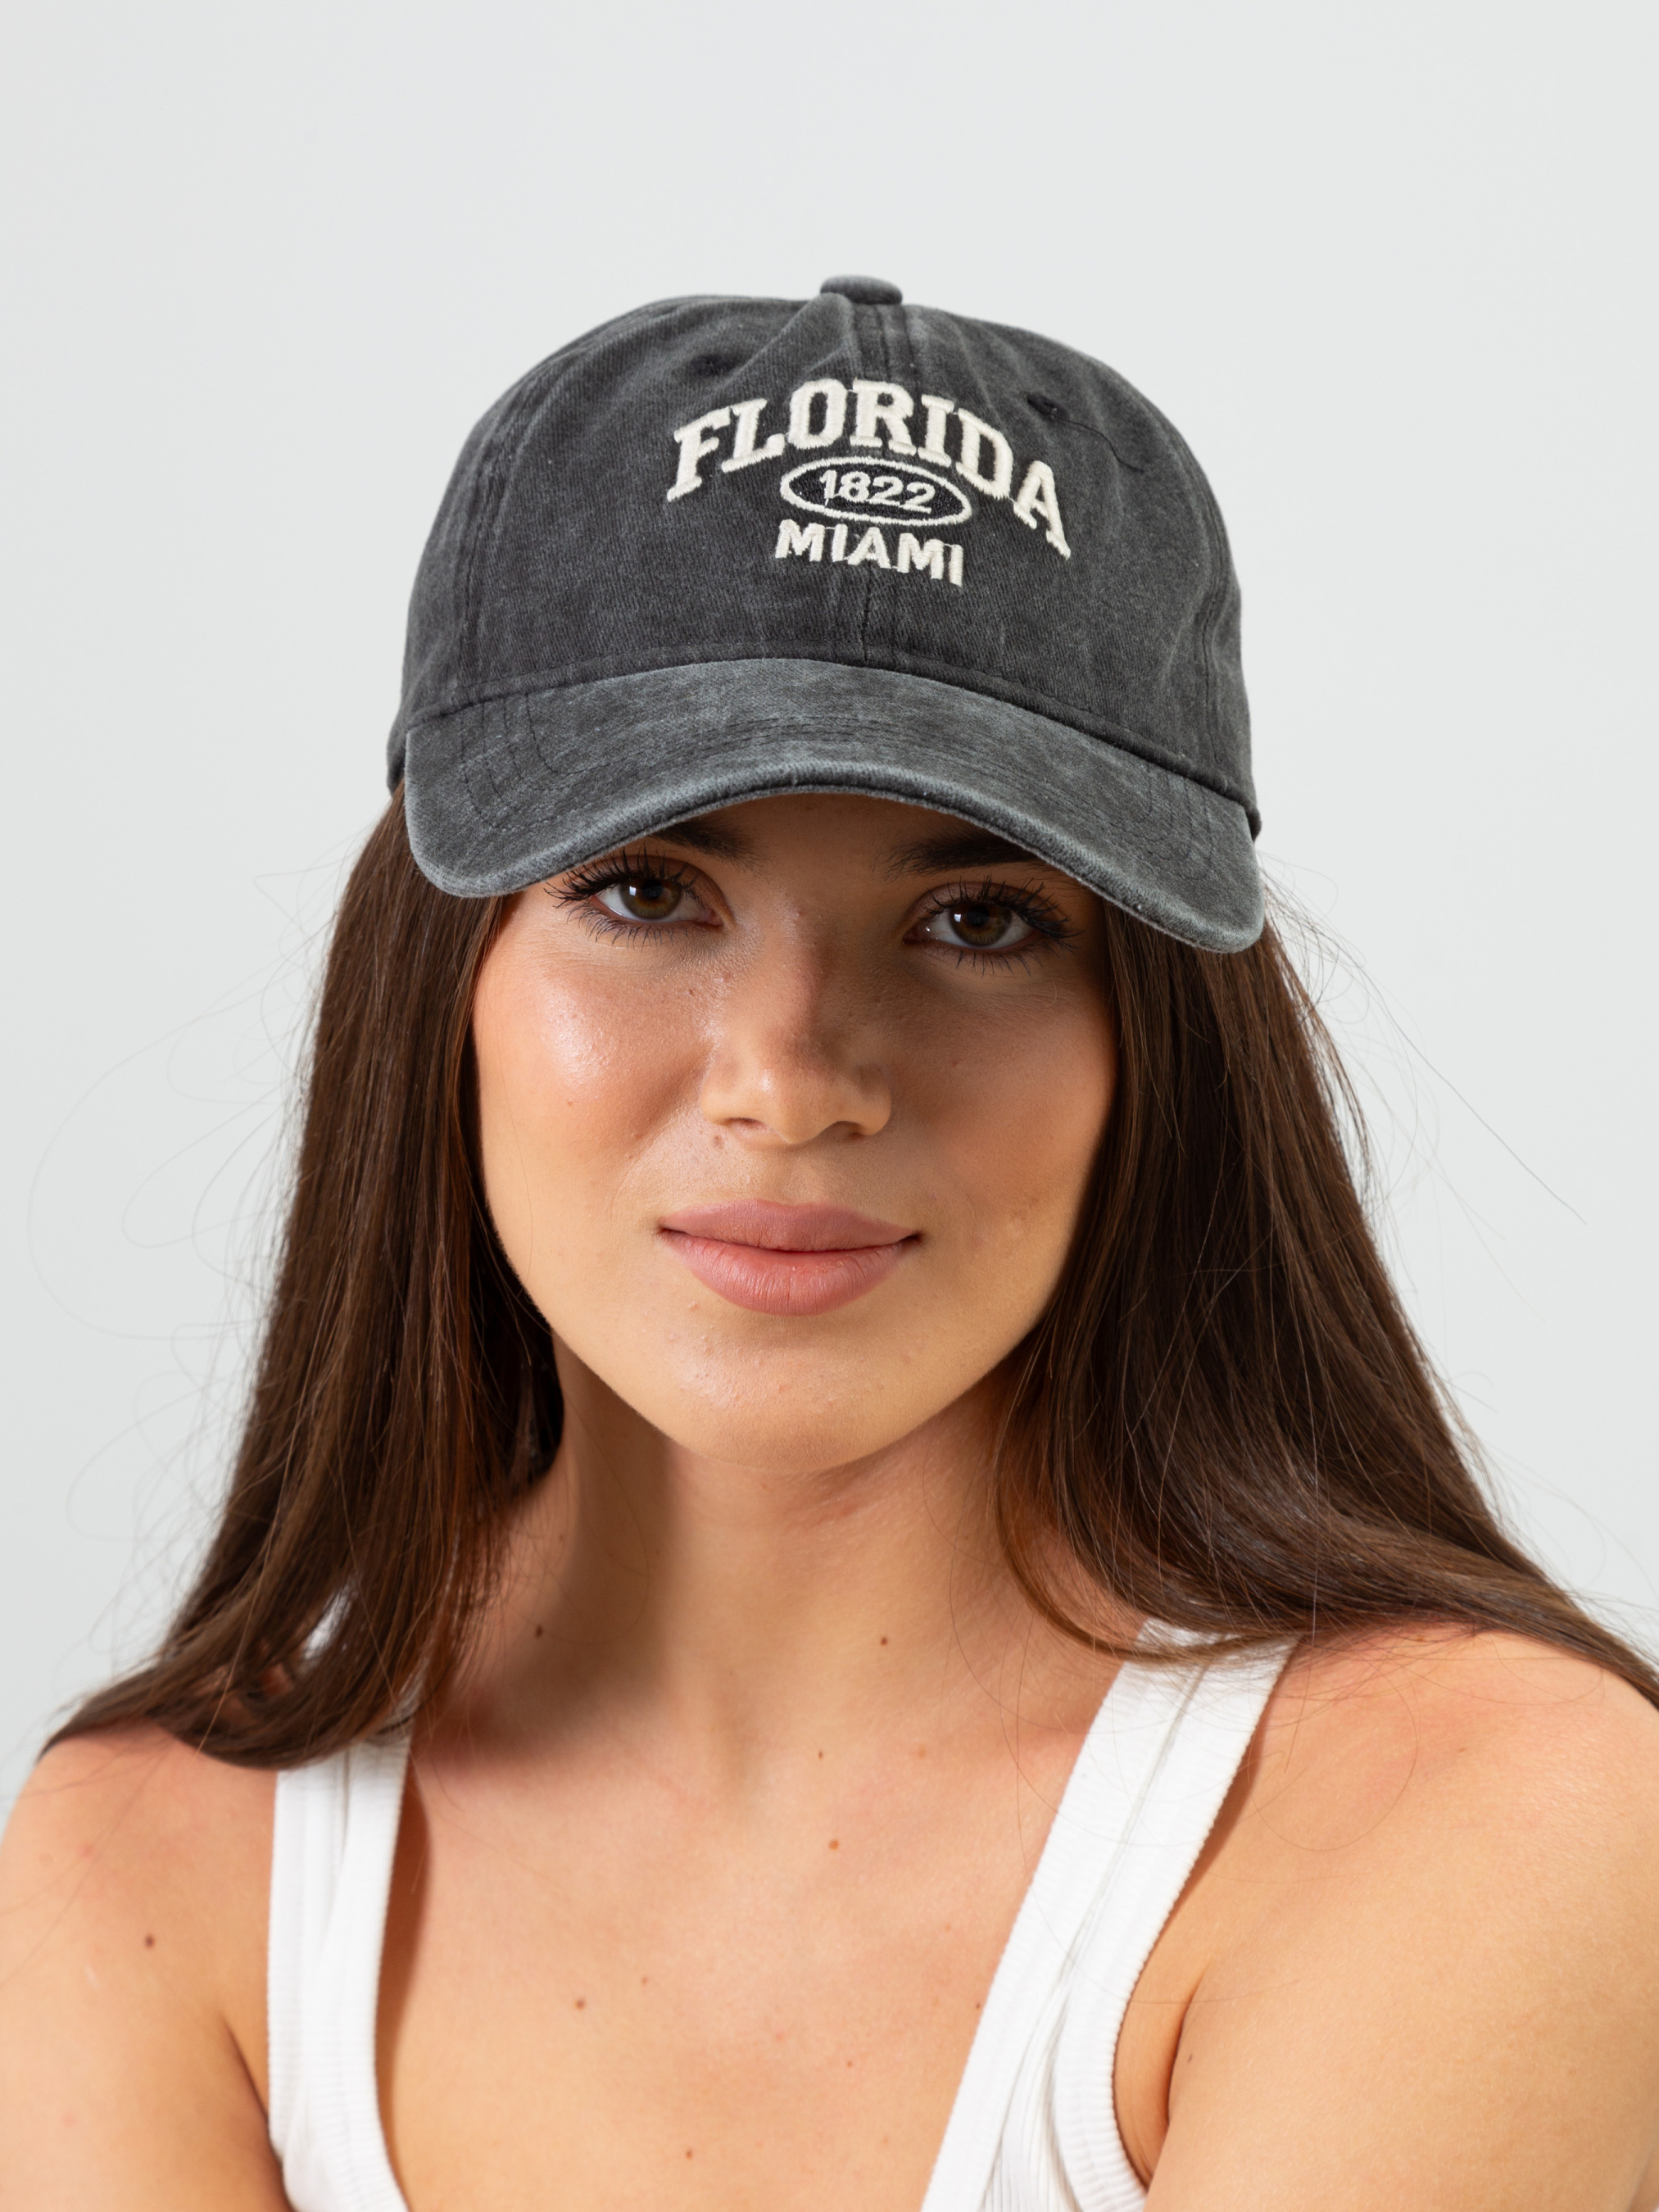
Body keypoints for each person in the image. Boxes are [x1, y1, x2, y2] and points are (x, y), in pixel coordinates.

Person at [4, 274, 1658, 2212]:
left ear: (1157, 1048)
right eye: (646, 890)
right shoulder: (151, 1868)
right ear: (439, 981)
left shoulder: (1466, 1814)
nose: (790, 1083)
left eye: (978, 921)